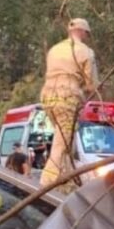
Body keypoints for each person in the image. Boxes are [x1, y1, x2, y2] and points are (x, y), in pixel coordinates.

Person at [40, 17, 100, 187]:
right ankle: (48, 183)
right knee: (62, 145)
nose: (87, 37)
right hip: (67, 97)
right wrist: (91, 89)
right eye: (86, 34)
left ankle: (64, 179)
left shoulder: (54, 49)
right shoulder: (86, 52)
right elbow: (91, 84)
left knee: (63, 140)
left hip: (48, 96)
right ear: (82, 31)